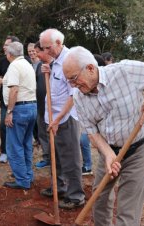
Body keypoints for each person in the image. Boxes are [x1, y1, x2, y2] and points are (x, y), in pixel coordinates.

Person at [62, 46, 144, 226]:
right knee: (100, 199)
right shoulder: (79, 97)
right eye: (69, 81)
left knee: (127, 209)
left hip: (138, 149)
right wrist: (107, 154)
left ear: (90, 68)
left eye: (74, 79)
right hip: (109, 150)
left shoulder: (124, 71)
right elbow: (92, 132)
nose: (73, 85)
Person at [39, 28, 85, 209]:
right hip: (53, 119)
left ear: (58, 43)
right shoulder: (55, 61)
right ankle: (58, 188)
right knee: (55, 156)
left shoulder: (69, 61)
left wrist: (58, 119)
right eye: (43, 48)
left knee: (70, 158)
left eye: (47, 47)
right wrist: (48, 70)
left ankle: (76, 196)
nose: (45, 51)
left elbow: (73, 96)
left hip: (65, 119)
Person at [2, 41, 37, 190]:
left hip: (20, 109)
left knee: (15, 146)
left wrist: (9, 112)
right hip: (31, 107)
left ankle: (22, 180)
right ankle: (27, 175)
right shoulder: (27, 64)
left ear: (9, 54)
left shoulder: (14, 66)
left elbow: (14, 90)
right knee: (26, 144)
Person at [0, 35, 20, 163]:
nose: (4, 47)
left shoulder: (22, 61)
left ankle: (15, 152)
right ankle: (4, 151)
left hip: (20, 101)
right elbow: (1, 79)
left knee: (16, 126)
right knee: (3, 125)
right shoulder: (3, 61)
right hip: (5, 100)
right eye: (4, 44)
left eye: (7, 45)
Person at [80, 54, 105, 176]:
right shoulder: (82, 93)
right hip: (90, 124)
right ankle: (88, 165)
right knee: (85, 140)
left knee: (85, 140)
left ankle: (88, 165)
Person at [33, 41, 53, 169]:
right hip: (40, 107)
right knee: (42, 134)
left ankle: (55, 159)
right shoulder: (40, 65)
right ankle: (47, 158)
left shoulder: (55, 65)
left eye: (37, 52)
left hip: (52, 109)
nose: (36, 55)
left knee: (52, 135)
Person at [27, 42, 40, 147]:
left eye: (33, 51)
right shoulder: (27, 64)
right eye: (29, 52)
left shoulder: (41, 63)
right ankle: (36, 138)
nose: (31, 53)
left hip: (39, 94)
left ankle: (40, 139)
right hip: (30, 95)